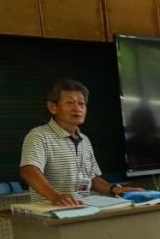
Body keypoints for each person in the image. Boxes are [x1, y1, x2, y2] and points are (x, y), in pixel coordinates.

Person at [20, 78, 141, 206]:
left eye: (81, 104)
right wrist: (56, 197)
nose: (77, 108)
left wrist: (115, 189)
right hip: (53, 212)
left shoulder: (84, 140)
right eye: (70, 103)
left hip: (85, 208)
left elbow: (92, 178)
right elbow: (29, 171)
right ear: (52, 107)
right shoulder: (39, 136)